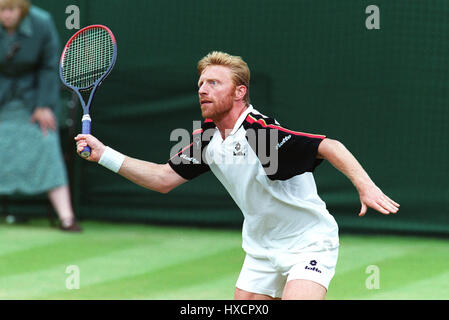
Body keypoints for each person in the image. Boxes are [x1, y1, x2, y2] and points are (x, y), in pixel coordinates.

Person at [75, 51, 400, 299]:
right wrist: (104, 155)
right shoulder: (208, 140)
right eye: (201, 84)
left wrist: (365, 186)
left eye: (214, 83)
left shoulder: (260, 135)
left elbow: (330, 146)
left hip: (308, 244)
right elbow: (163, 179)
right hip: (260, 249)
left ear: (239, 92)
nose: (203, 89)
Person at [0, 0, 81, 231]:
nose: (6, 15)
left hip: (34, 102)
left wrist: (44, 104)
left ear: (22, 9)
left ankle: (66, 217)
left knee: (46, 142)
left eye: (11, 9)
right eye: (1, 10)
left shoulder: (42, 23)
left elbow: (48, 66)